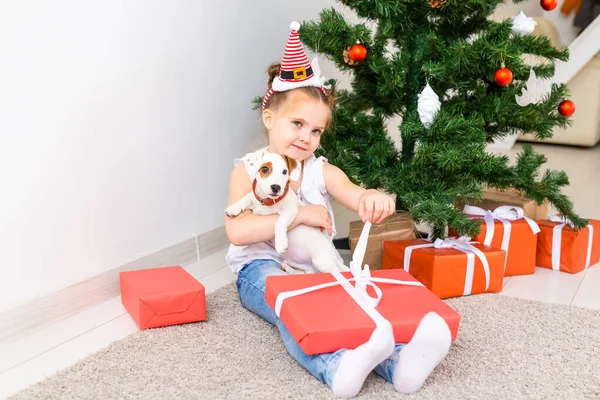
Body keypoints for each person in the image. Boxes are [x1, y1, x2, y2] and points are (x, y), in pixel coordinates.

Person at [225, 21, 452, 399]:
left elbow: (355, 193)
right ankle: (335, 367)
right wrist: (299, 215)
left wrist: (374, 198)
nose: (306, 137)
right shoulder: (247, 169)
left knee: (353, 301)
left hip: (318, 264)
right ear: (270, 119)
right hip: (260, 267)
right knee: (294, 309)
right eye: (297, 123)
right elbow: (238, 232)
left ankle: (400, 363)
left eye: (316, 130)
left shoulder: (320, 170)